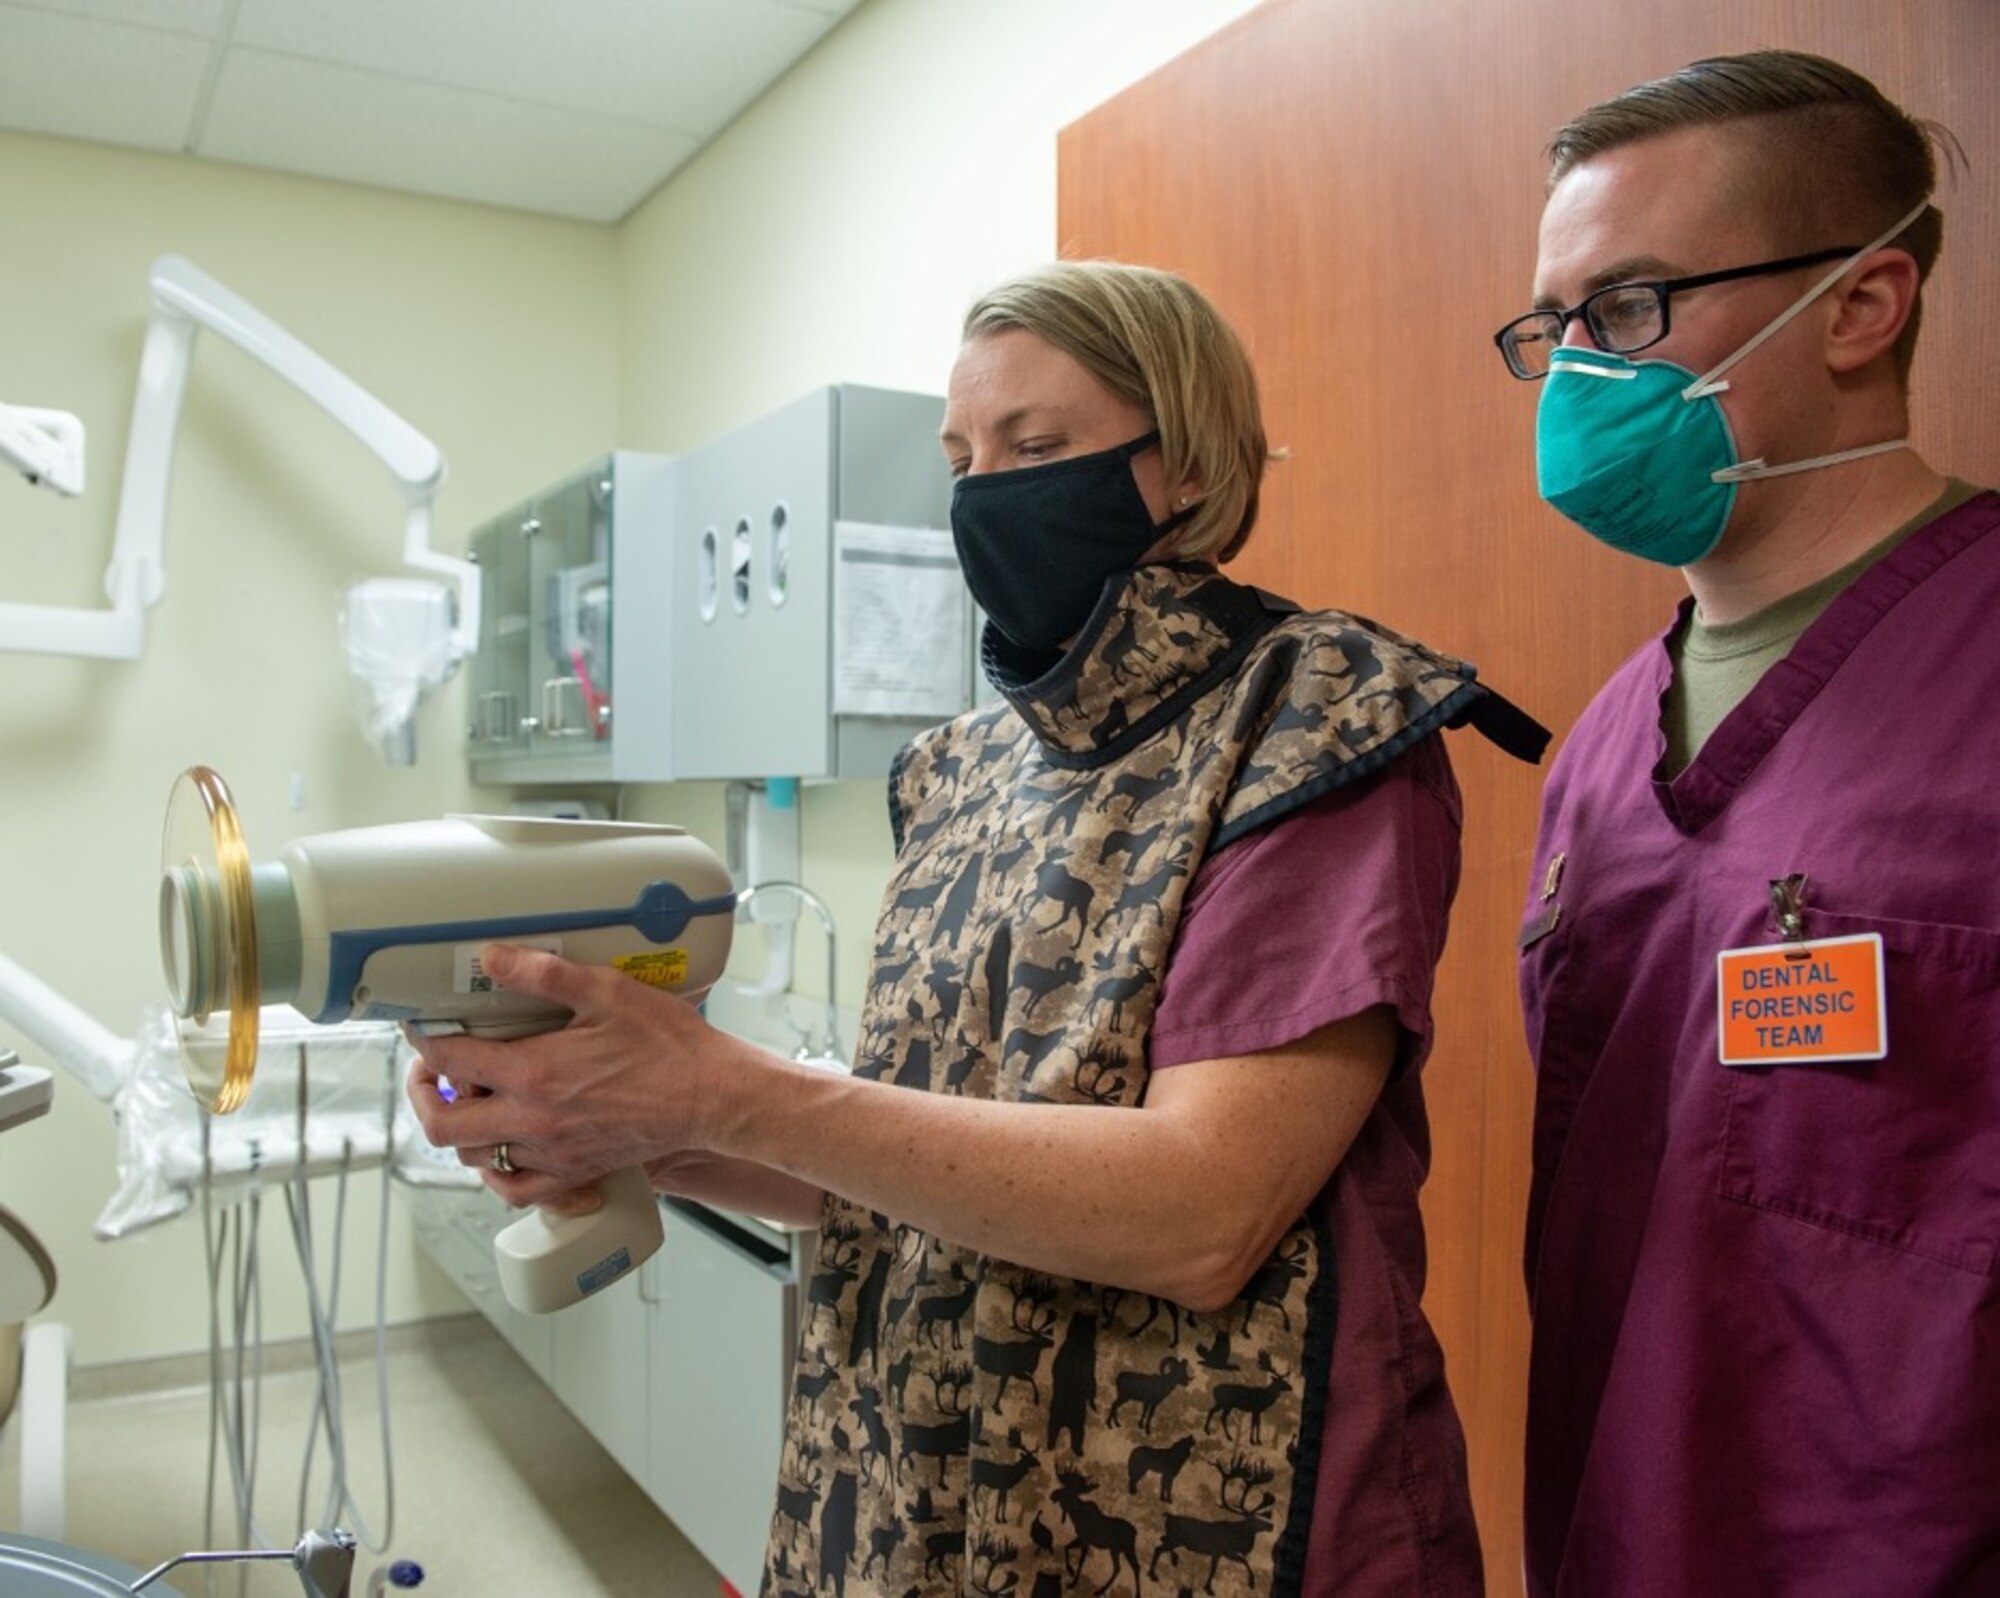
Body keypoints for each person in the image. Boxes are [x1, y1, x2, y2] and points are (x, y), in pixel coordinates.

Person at [412, 260, 1543, 1596]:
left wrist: (723, 1086)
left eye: (1038, 446)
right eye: (962, 456)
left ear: (1182, 461)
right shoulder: (956, 768)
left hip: (1206, 1512)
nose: (987, 490)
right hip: (922, 1485)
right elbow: (906, 1168)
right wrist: (637, 1129)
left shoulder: (1312, 724)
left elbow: (1205, 1210)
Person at [1494, 50, 1999, 1598]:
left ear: (1861, 304)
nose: (1580, 368)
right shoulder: (1595, 751)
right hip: (1621, 1527)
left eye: (1630, 308)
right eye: (1555, 325)